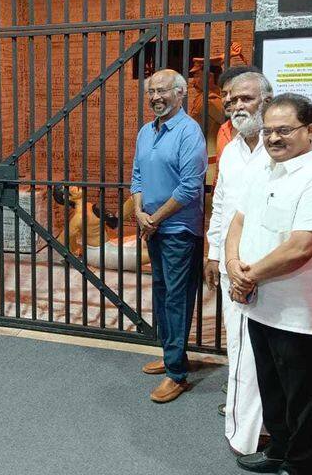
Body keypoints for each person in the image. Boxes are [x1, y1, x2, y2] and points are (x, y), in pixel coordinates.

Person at [224, 93, 312, 475]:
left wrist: (246, 277)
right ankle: (278, 449)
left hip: (302, 313)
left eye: (284, 130)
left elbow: (302, 246)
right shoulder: (264, 170)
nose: (273, 138)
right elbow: (239, 220)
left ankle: (300, 465)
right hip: (261, 304)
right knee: (272, 388)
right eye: (268, 131)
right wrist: (232, 264)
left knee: (304, 396)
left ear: (310, 131)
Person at [204, 71, 272, 455]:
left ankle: (256, 427)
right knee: (237, 342)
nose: (235, 106)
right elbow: (221, 208)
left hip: (266, 269)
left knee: (259, 348)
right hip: (231, 266)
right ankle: (241, 409)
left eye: (244, 98)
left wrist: (256, 268)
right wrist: (214, 254)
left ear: (266, 99)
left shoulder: (278, 148)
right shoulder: (231, 151)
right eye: (229, 100)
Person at [131, 69, 208, 403]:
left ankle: (177, 374)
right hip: (153, 227)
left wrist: (155, 219)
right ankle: (171, 353)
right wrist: (138, 212)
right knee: (162, 294)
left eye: (162, 91)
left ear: (181, 94)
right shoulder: (146, 131)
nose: (155, 97)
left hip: (178, 230)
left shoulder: (190, 133)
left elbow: (191, 187)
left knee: (177, 298)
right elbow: (136, 175)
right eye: (151, 92)